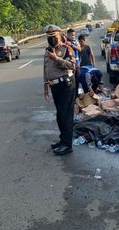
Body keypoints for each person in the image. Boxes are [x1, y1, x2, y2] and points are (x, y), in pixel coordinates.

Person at [43, 26, 76, 156]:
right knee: (59, 115)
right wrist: (45, 86)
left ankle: (67, 145)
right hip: (54, 86)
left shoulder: (66, 49)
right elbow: (45, 68)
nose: (51, 40)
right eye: (49, 37)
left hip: (66, 85)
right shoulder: (48, 50)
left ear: (60, 36)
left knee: (66, 115)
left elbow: (72, 66)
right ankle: (63, 141)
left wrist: (56, 58)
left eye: (54, 37)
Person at [66, 28, 81, 94]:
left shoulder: (75, 41)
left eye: (74, 35)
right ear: (68, 35)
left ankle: (76, 95)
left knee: (77, 80)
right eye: (72, 35)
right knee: (69, 80)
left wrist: (71, 45)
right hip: (67, 65)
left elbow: (79, 49)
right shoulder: (64, 41)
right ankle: (70, 94)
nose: (73, 36)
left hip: (76, 64)